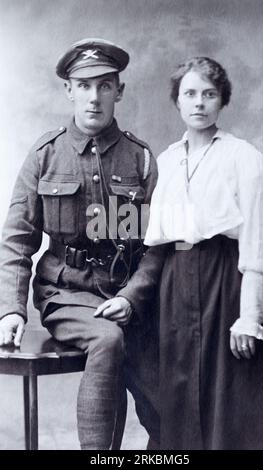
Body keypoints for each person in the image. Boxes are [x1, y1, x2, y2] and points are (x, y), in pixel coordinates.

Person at [96, 57, 263, 449]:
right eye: (190, 94)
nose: (199, 103)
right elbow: (147, 234)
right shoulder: (165, 161)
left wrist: (249, 317)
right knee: (180, 396)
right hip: (175, 285)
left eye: (209, 94)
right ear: (177, 102)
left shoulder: (243, 158)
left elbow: (258, 242)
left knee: (232, 396)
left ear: (222, 100)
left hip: (225, 282)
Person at [0, 38, 159, 450]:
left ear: (118, 92)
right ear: (68, 90)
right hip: (65, 293)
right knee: (108, 339)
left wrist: (133, 297)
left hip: (124, 297)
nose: (93, 98)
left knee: (168, 388)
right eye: (83, 86)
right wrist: (10, 309)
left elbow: (157, 246)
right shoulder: (45, 155)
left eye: (104, 86)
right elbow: (16, 240)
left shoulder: (139, 159)